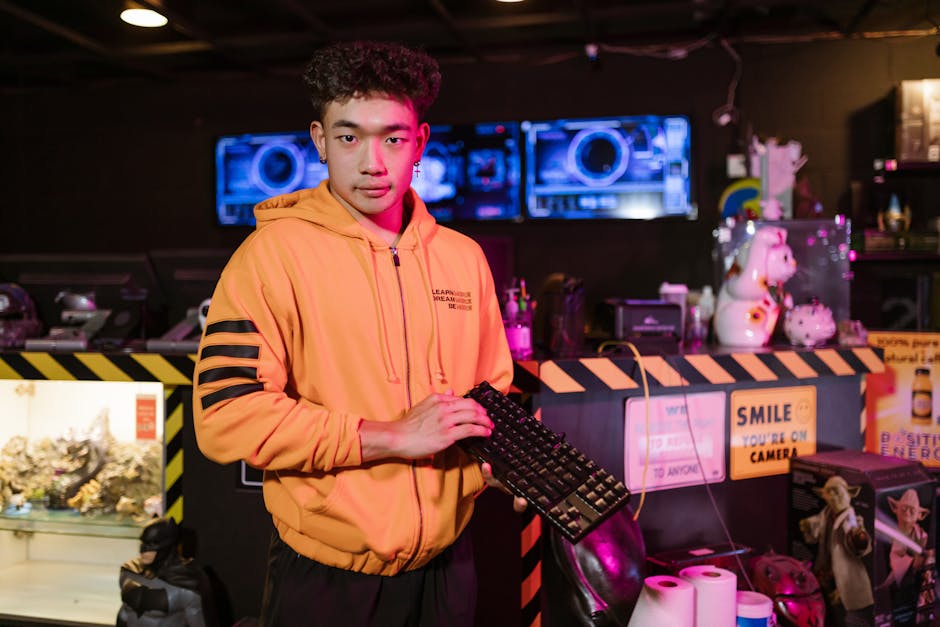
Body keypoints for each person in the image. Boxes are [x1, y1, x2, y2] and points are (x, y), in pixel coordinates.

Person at [192, 40, 521, 627]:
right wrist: (391, 436)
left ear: (420, 142)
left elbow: (492, 391)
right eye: (349, 137)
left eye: (393, 138)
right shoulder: (272, 256)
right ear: (319, 140)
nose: (373, 163)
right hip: (327, 576)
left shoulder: (463, 258)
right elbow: (227, 415)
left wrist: (512, 456)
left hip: (450, 568)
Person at [799, 474, 874, 627]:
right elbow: (815, 530)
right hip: (826, 575)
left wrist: (859, 538)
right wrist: (807, 525)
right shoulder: (826, 514)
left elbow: (860, 543)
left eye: (837, 492)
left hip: (848, 580)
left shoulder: (851, 519)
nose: (834, 497)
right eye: (829, 492)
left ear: (849, 495)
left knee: (851, 618)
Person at [116, 517, 208, 627]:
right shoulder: (129, 572)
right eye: (143, 542)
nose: (143, 550)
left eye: (152, 544)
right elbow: (124, 614)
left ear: (167, 547)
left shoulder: (186, 586)